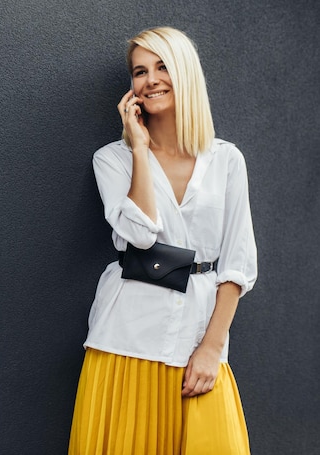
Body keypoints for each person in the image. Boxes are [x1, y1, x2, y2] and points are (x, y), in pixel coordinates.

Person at [68, 27, 258, 455]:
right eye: (140, 71)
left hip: (197, 341)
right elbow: (137, 234)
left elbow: (238, 263)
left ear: (186, 74)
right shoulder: (111, 159)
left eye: (162, 66)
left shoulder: (226, 160)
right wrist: (138, 148)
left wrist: (211, 349)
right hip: (126, 340)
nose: (150, 79)